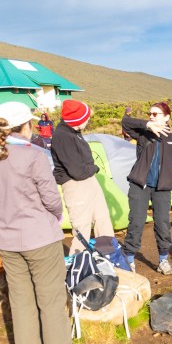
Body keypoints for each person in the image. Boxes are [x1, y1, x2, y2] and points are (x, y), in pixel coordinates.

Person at [0, 101, 92, 344]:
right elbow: (52, 198)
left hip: (6, 238)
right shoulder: (35, 155)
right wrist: (55, 217)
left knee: (20, 299)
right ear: (26, 126)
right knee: (51, 299)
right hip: (39, 237)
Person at [121, 102, 172, 274]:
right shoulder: (143, 135)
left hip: (161, 189)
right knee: (136, 221)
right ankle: (129, 260)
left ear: (166, 117)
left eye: (155, 114)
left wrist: (171, 178)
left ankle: (163, 261)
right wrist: (148, 125)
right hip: (139, 185)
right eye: (150, 113)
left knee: (163, 224)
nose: (151, 116)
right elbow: (125, 123)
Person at [51, 99, 115, 254]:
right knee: (82, 226)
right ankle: (78, 266)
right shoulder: (63, 136)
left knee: (102, 218)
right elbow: (77, 171)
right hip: (75, 184)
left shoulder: (74, 132)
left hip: (88, 181)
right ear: (78, 119)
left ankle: (109, 256)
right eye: (87, 118)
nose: (88, 121)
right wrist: (95, 168)